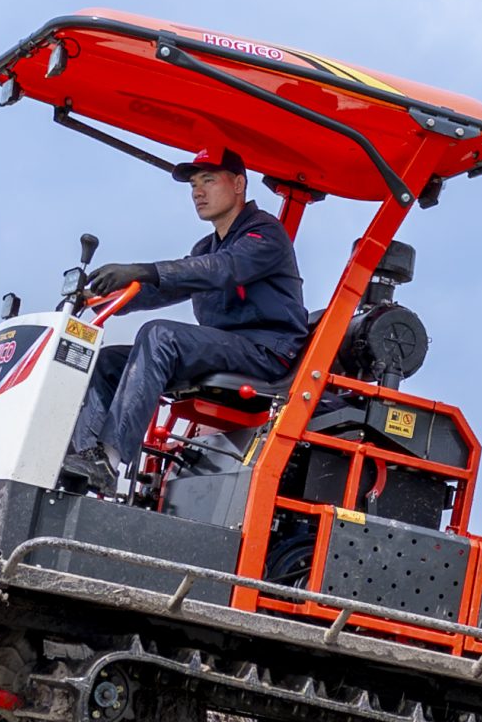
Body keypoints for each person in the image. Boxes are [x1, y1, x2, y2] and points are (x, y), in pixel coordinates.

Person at [60, 146, 310, 489]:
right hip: (225, 349)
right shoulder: (205, 248)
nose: (197, 192)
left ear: (238, 184)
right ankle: (82, 461)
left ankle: (109, 459)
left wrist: (143, 269)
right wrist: (98, 298)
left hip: (264, 352)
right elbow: (167, 287)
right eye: (194, 184)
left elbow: (222, 269)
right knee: (108, 361)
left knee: (158, 335)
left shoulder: (265, 233)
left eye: (208, 180)